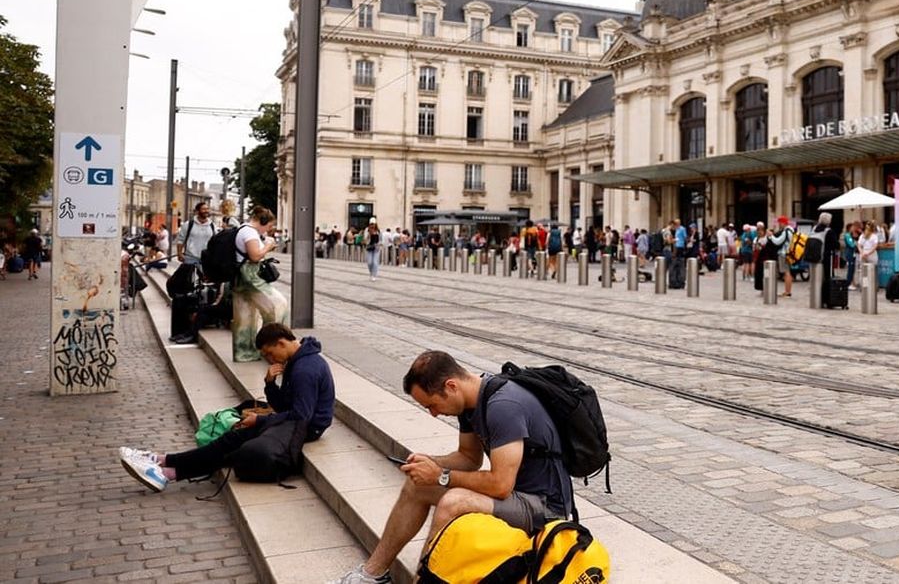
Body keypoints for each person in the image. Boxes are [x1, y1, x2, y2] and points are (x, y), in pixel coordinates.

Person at [331, 351, 573, 584]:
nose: (434, 414)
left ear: (451, 386)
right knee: (417, 487)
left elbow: (500, 485)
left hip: (543, 507)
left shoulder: (503, 406)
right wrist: (430, 462)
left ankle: (423, 580)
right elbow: (468, 458)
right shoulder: (470, 404)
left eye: (432, 405)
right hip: (515, 496)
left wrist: (440, 476)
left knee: (454, 501)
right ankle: (372, 573)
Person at [119, 324, 334, 492]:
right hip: (296, 422)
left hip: (308, 428)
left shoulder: (304, 370)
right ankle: (166, 467)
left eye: (269, 353)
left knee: (233, 442)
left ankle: (166, 467)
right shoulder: (296, 362)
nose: (269, 359)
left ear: (281, 343)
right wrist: (270, 384)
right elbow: (285, 407)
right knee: (232, 438)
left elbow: (300, 416)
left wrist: (259, 421)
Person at [231, 207, 290, 362]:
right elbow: (255, 256)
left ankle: (245, 352)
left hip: (240, 277)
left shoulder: (243, 229)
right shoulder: (250, 232)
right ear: (262, 221)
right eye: (269, 226)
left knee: (245, 315)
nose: (268, 230)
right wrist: (268, 247)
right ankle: (273, 347)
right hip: (249, 277)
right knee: (278, 305)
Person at [176, 202, 216, 266]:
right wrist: (179, 253)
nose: (206, 211)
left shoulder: (213, 226)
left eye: (207, 209)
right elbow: (180, 240)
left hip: (206, 259)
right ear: (197, 211)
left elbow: (215, 242)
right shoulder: (188, 225)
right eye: (203, 209)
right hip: (190, 258)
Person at [857, 219, 879, 291]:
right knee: (868, 271)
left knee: (868, 271)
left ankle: (868, 287)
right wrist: (865, 253)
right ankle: (868, 287)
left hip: (867, 254)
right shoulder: (869, 236)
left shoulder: (868, 236)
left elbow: (859, 245)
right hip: (868, 254)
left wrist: (864, 253)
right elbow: (859, 245)